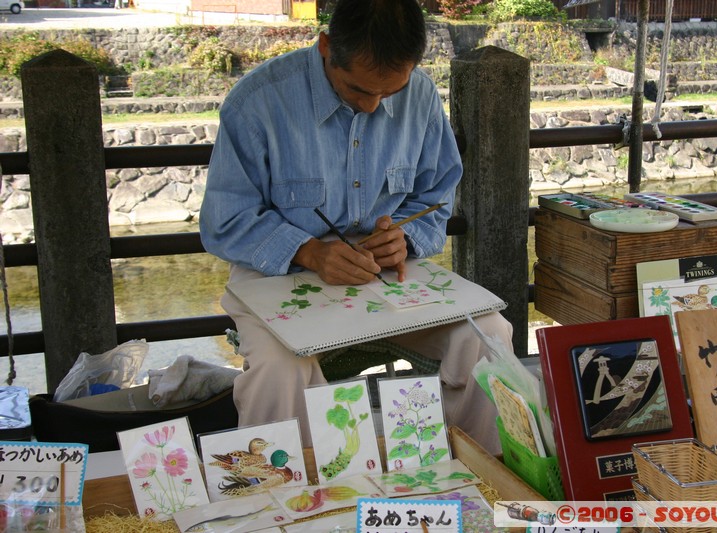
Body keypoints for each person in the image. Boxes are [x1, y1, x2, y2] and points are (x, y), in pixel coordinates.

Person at [199, 0, 513, 456]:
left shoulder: (420, 96)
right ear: (326, 47)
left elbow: (437, 194)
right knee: (277, 367)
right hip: (280, 274)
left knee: (487, 335)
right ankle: (284, 502)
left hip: (385, 273)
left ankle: (478, 473)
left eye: (389, 94)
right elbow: (225, 220)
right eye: (357, 90)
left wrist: (404, 239)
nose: (372, 106)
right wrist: (308, 251)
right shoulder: (260, 102)